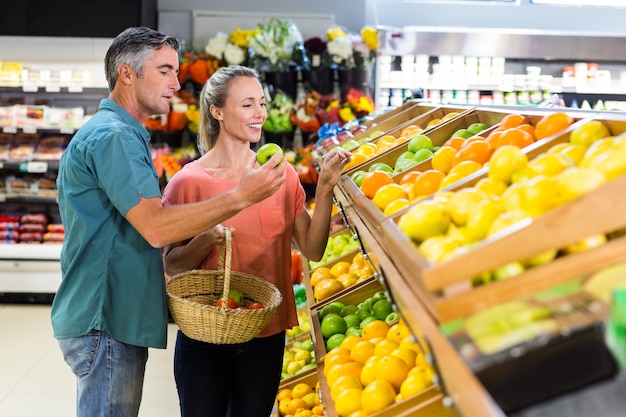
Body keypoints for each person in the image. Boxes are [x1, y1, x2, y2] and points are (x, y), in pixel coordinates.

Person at [51, 28, 287, 417]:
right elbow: (156, 227)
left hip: (110, 316)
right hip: (106, 318)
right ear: (127, 74)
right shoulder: (114, 137)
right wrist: (240, 196)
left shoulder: (123, 132)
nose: (177, 84)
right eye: (165, 71)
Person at [161, 65, 351, 417]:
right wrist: (204, 240)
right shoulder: (188, 182)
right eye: (248, 105)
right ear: (217, 112)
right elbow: (171, 264)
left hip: (266, 333)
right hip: (206, 333)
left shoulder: (281, 174)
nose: (260, 113)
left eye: (261, 103)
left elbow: (312, 248)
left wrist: (324, 188)